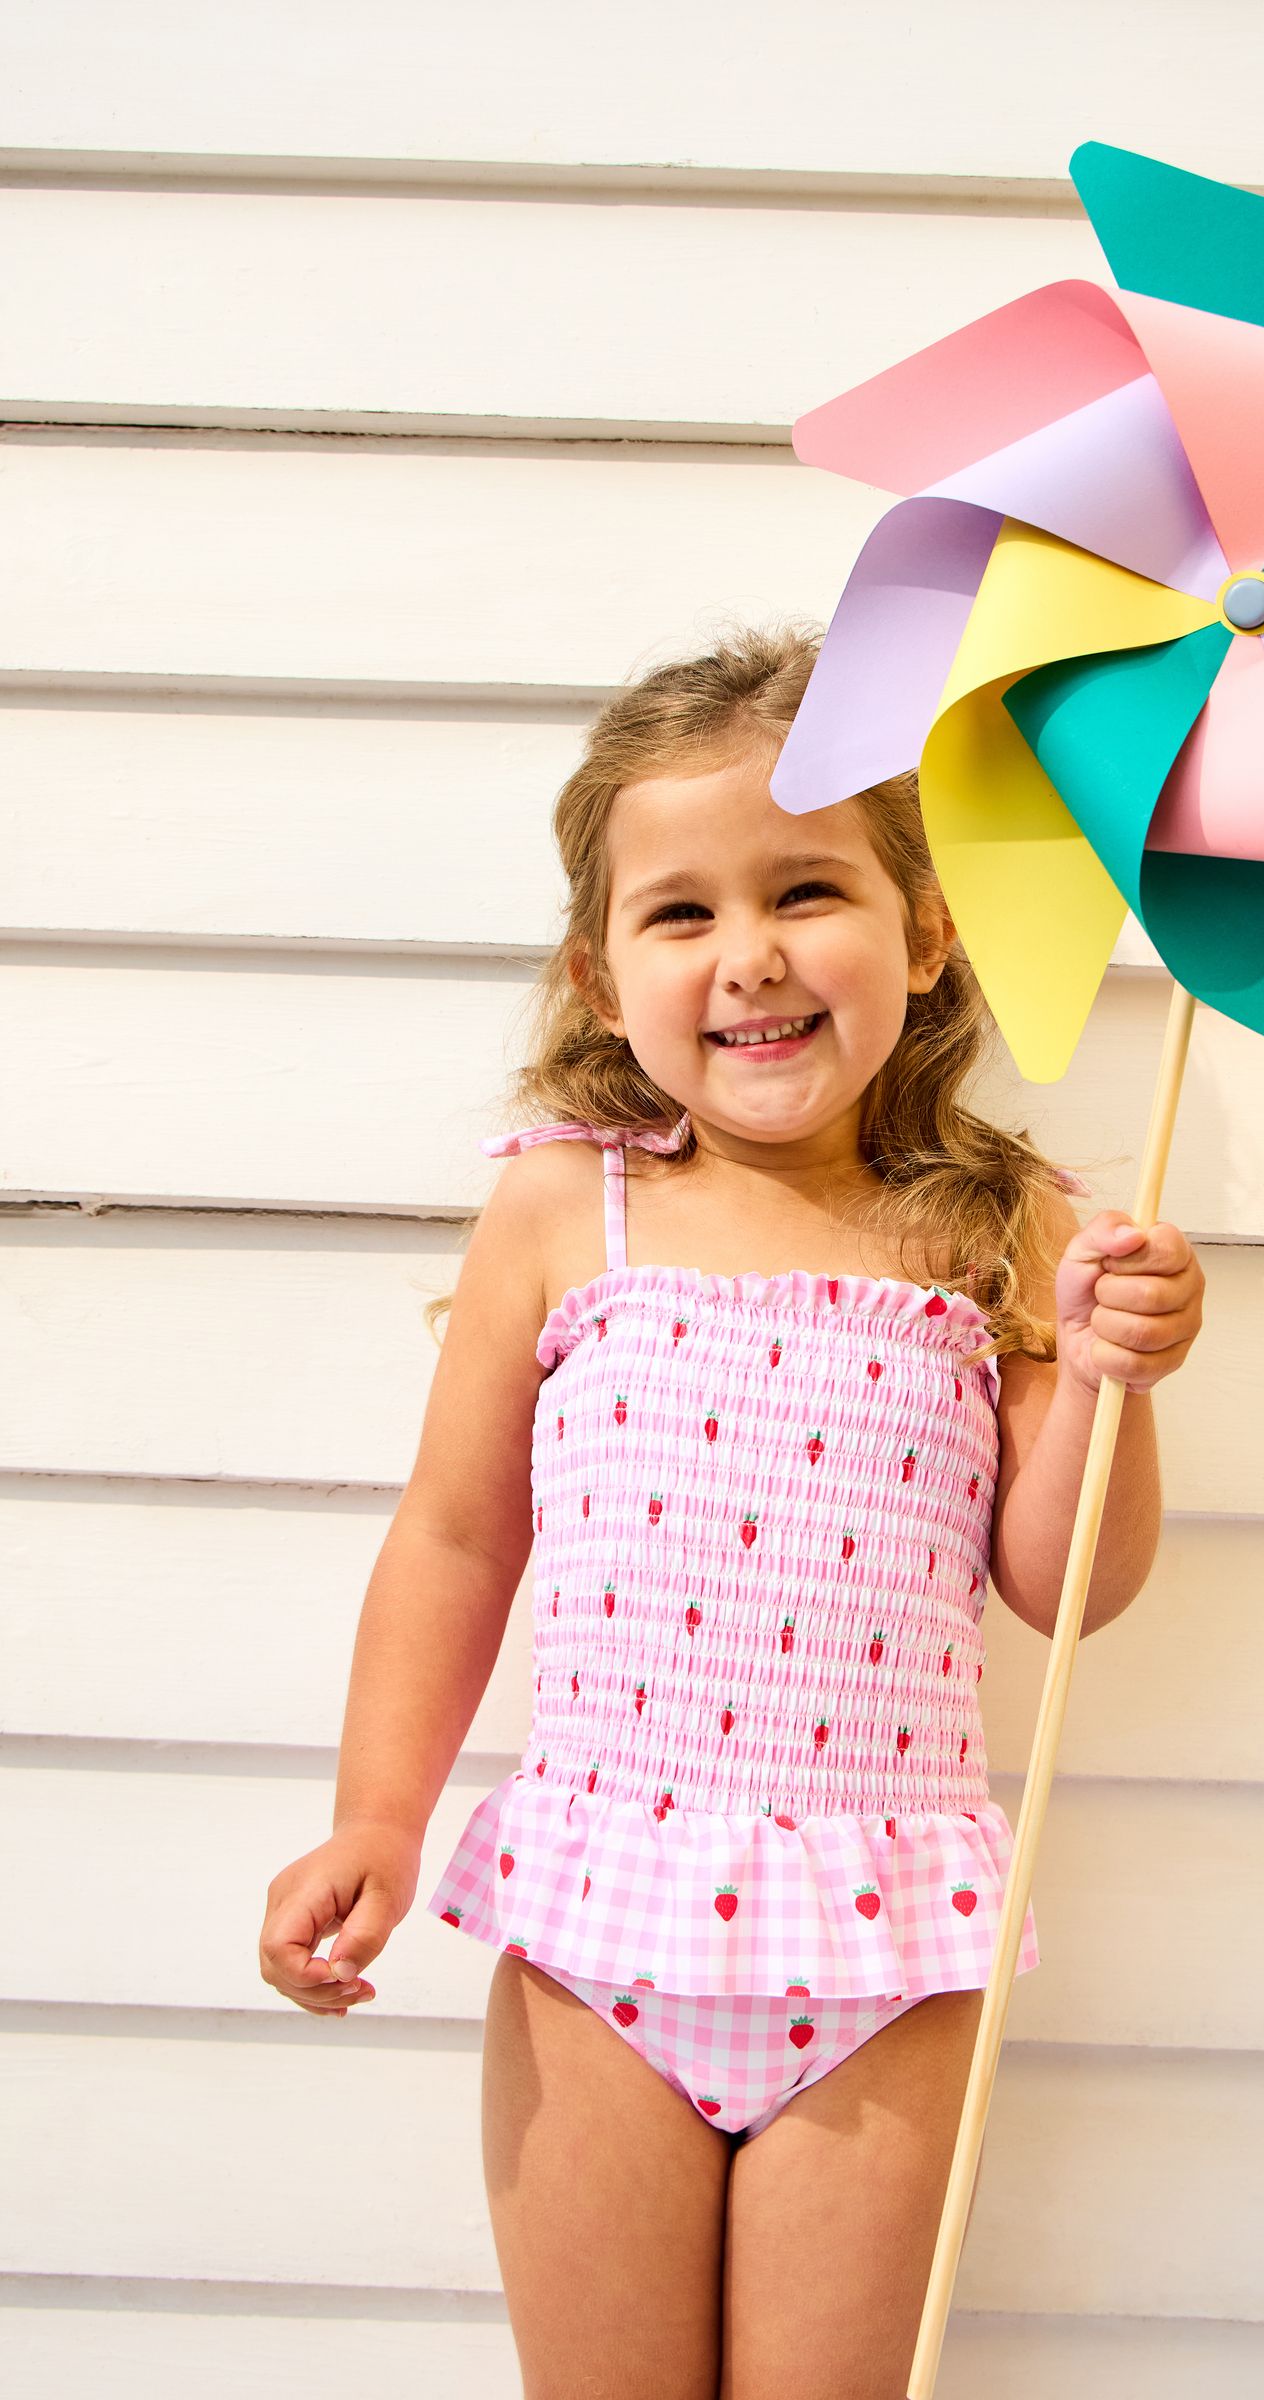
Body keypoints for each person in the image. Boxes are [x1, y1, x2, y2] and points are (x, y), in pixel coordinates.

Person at [258, 623, 1206, 2395]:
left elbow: (1065, 1592)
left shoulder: (1011, 1227)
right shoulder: (562, 1214)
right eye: (681, 912)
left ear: (925, 933)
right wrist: (378, 1819)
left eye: (808, 891)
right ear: (603, 977)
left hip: (884, 1948)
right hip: (598, 1930)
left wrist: (1103, 1378)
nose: (751, 955)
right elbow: (458, 1539)